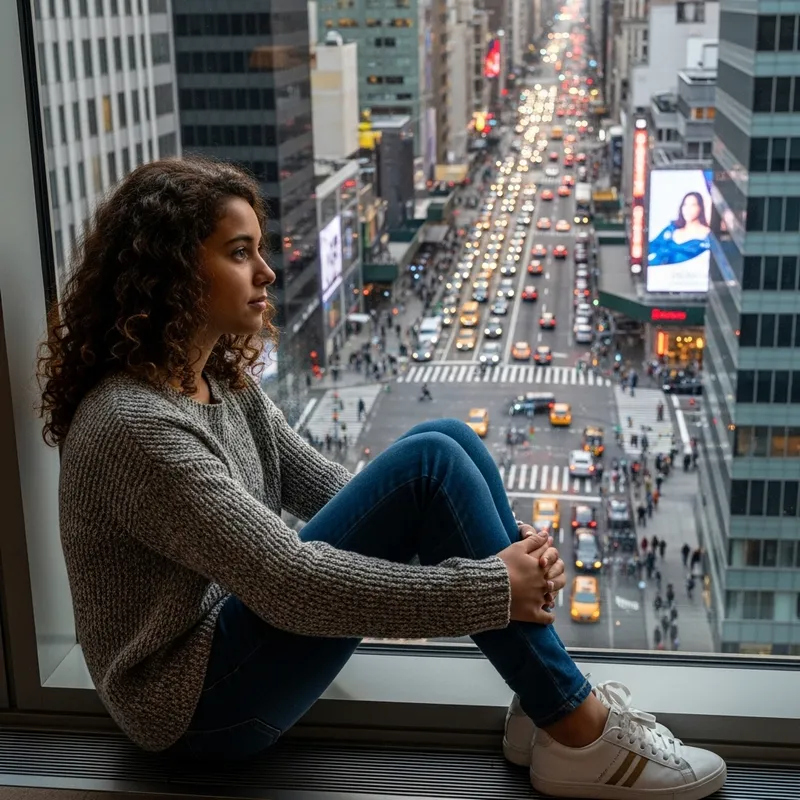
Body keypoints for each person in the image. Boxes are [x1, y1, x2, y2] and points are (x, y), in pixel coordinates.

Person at [36, 157, 728, 799]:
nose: (267, 273)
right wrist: (492, 588)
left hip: (237, 647)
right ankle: (576, 729)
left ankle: (546, 711)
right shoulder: (134, 425)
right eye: (239, 252)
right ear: (172, 271)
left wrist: (501, 549)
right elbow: (290, 583)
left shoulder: (216, 380)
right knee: (431, 465)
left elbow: (330, 489)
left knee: (446, 439)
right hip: (197, 709)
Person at [647, 191, 711, 268]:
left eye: (693, 205)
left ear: (700, 207)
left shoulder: (706, 237)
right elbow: (652, 246)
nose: (688, 209)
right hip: (654, 272)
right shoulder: (671, 229)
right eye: (685, 205)